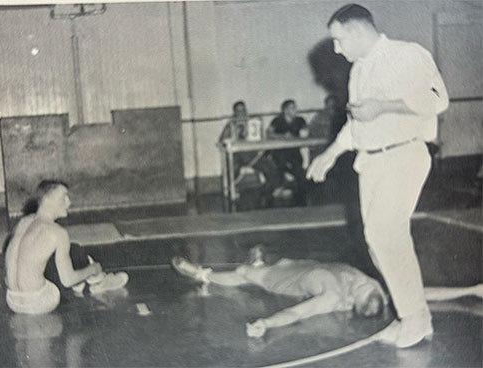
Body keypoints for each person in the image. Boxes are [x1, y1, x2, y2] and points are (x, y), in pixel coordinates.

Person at [306, 4, 449, 348]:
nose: (337, 48)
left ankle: (413, 320)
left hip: (402, 153)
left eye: (339, 39)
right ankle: (416, 317)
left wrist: (385, 106)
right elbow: (358, 122)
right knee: (377, 242)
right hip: (370, 162)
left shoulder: (406, 54)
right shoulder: (359, 70)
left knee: (386, 235)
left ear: (357, 31)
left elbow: (438, 99)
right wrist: (330, 153)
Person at [171, 249, 482, 339]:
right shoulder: (374, 291)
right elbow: (420, 293)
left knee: (243, 274)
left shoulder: (333, 297)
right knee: (286, 258)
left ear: (352, 302)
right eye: (369, 285)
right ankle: (262, 258)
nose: (366, 282)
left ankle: (203, 274)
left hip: (281, 281)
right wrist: (472, 290)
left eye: (362, 289)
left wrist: (266, 323)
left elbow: (298, 313)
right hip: (308, 263)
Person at [5, 180, 129, 314]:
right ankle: (99, 280)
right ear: (48, 200)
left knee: (70, 250)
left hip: (12, 300)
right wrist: (93, 269)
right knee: (77, 255)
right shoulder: (57, 232)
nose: (69, 202)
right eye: (64, 197)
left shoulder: (23, 222)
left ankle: (87, 282)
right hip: (39, 302)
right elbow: (67, 281)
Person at [219, 101, 280, 203]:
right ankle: (230, 190)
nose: (241, 113)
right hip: (237, 155)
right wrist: (233, 135)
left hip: (252, 154)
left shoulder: (252, 122)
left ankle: (271, 189)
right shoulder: (230, 124)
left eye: (243, 110)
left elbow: (261, 137)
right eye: (238, 111)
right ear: (234, 113)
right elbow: (222, 140)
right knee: (232, 168)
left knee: (270, 165)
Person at [267, 99, 309, 204]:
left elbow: (307, 131)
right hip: (280, 150)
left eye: (295, 107)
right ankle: (280, 187)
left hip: (294, 151)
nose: (295, 110)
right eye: (292, 108)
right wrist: (282, 136)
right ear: (285, 110)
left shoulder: (300, 120)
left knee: (299, 169)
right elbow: (269, 134)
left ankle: (301, 197)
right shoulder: (277, 120)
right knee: (279, 162)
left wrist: (304, 133)